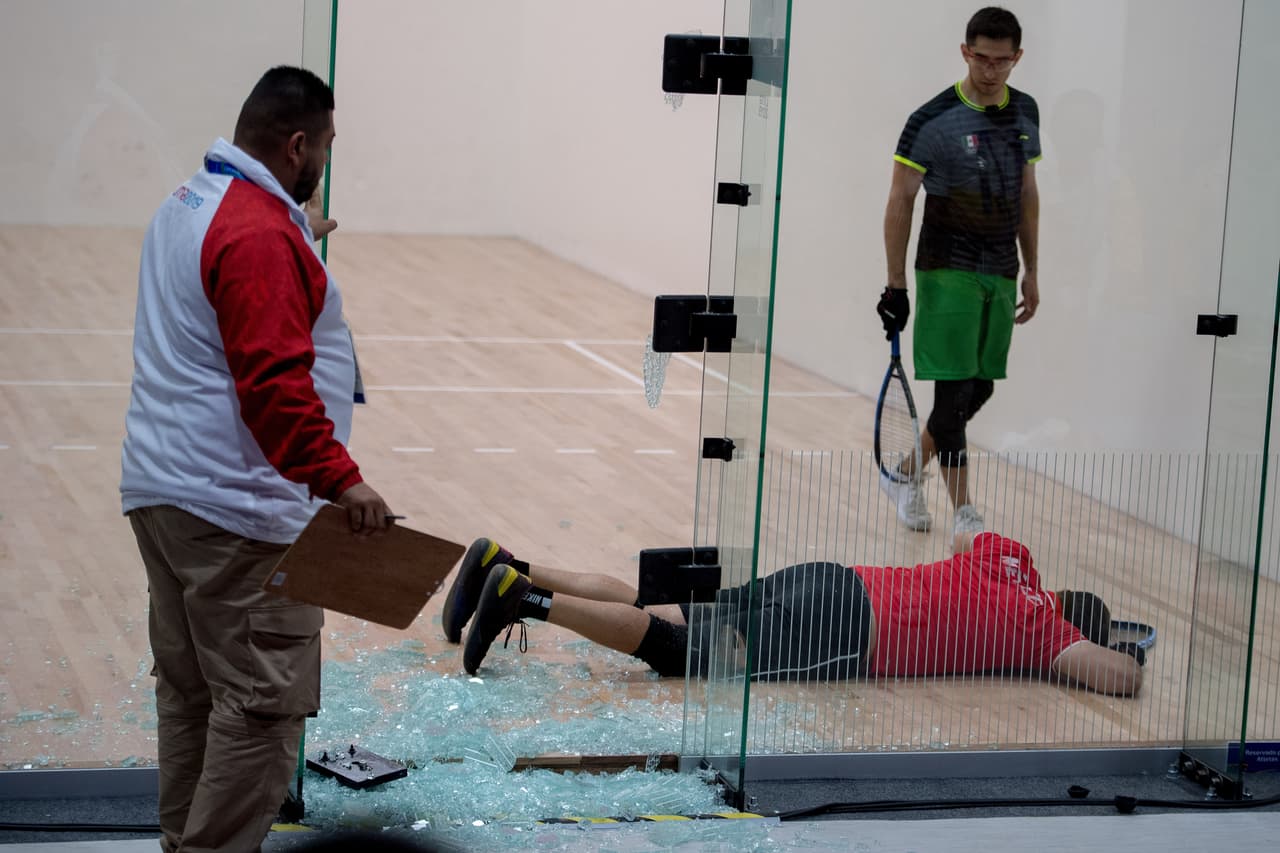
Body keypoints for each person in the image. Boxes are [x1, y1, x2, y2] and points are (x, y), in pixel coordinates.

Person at [120, 66, 395, 852]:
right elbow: (274, 388)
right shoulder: (257, 237)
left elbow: (227, 299)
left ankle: (184, 843)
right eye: (327, 148)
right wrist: (343, 481)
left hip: (165, 497)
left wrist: (295, 239)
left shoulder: (192, 206)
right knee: (261, 706)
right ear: (298, 143)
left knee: (195, 693)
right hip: (237, 513)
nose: (327, 165)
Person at [441, 532, 1143, 697]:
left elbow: (964, 539)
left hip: (828, 578)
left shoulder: (1005, 556)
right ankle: (525, 599)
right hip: (844, 632)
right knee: (682, 650)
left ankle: (513, 562)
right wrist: (1119, 650)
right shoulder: (1047, 632)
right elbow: (1120, 678)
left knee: (656, 601)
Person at [877, 6, 1041, 537]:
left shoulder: (1027, 114)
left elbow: (1026, 193)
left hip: (1000, 270)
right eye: (981, 58)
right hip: (946, 268)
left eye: (1002, 61)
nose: (991, 70)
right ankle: (965, 512)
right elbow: (900, 201)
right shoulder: (931, 119)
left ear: (1016, 58)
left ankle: (905, 474)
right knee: (952, 396)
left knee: (980, 389)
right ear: (965, 52)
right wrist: (895, 283)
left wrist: (1032, 270)